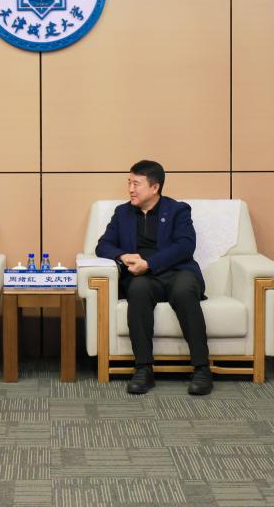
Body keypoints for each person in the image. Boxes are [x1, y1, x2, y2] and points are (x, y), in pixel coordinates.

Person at [95, 160, 212, 395]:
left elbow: (185, 246)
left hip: (178, 271)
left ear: (155, 187)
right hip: (144, 278)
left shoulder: (178, 210)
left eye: (136, 184)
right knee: (137, 290)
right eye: (129, 183)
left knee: (184, 291)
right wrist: (123, 256)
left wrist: (150, 263)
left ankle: (201, 368)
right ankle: (143, 369)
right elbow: (103, 245)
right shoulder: (123, 213)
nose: (130, 189)